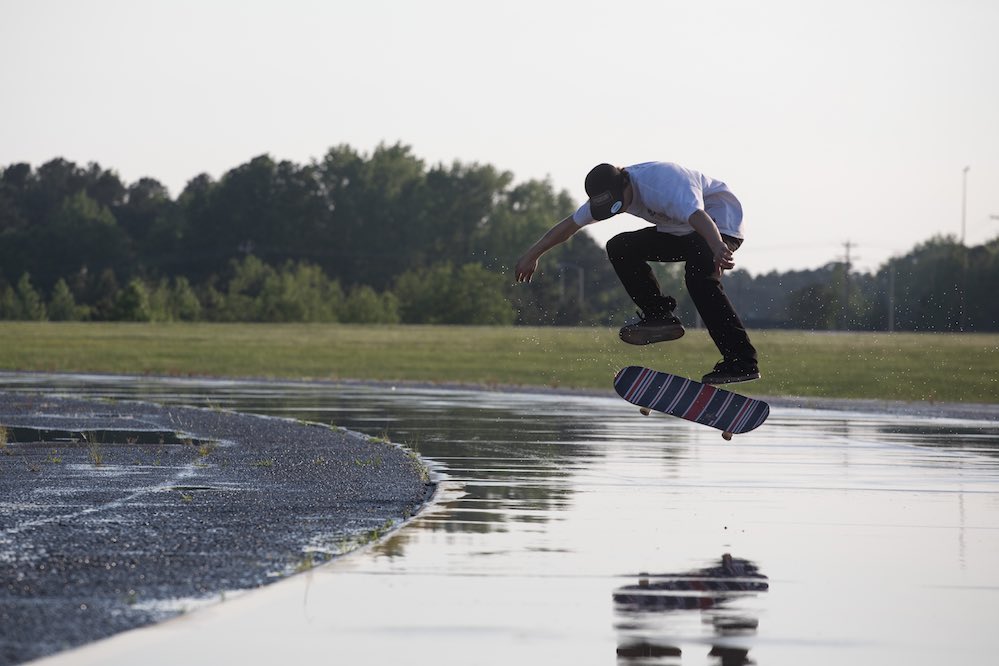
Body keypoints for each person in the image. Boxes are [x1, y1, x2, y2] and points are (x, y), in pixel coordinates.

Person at [514, 161, 759, 385]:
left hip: (719, 226)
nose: (619, 211)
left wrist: (717, 247)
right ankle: (659, 315)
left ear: (626, 183)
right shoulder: (608, 190)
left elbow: (699, 217)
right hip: (679, 232)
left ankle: (742, 361)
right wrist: (532, 254)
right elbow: (568, 226)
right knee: (620, 247)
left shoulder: (663, 183)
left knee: (699, 281)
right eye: (612, 210)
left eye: (620, 205)